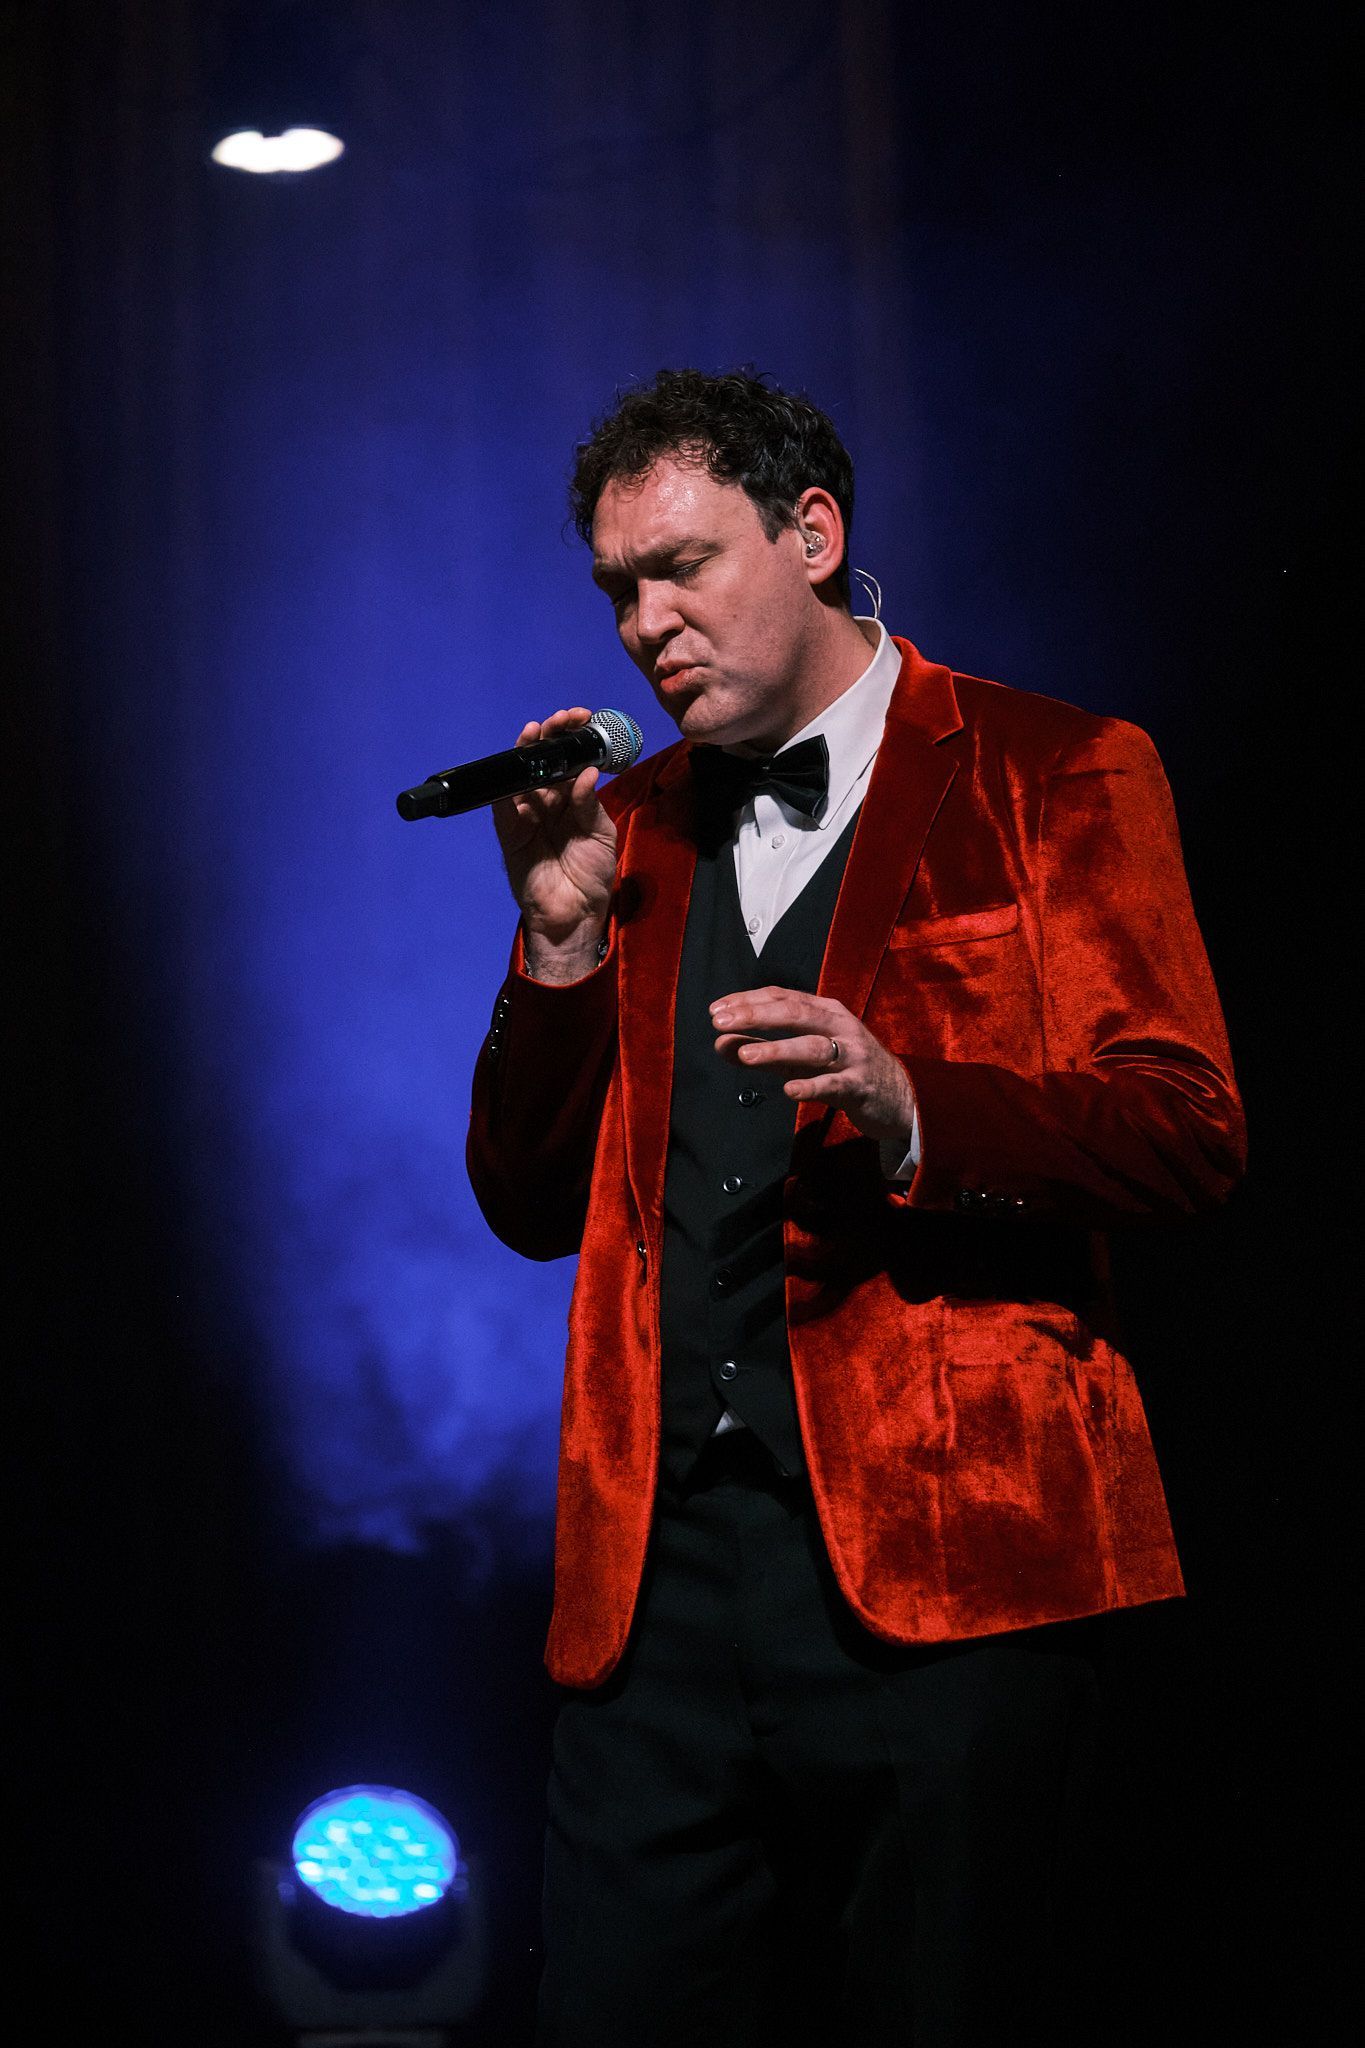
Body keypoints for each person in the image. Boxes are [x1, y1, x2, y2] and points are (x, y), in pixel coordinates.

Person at [466, 369, 1244, 2046]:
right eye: (618, 590)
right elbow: (530, 1205)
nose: (646, 625)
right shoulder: (634, 829)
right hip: (657, 1585)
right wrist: (560, 942)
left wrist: (914, 1112)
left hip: (953, 1571)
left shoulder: (1058, 771)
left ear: (812, 535)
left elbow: (1184, 1130)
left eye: (684, 565)